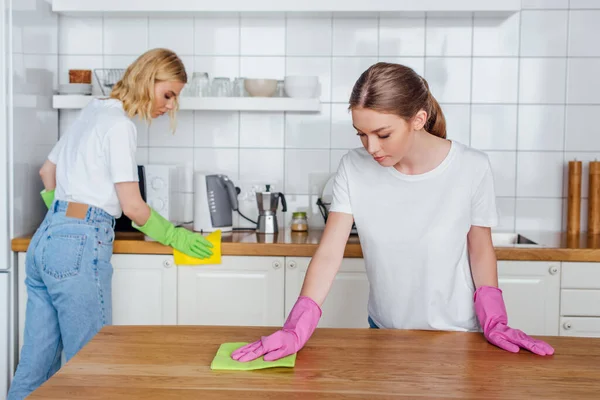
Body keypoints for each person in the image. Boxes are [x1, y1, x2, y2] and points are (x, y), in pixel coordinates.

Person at [232, 62, 555, 363]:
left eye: (383, 134)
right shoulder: (353, 167)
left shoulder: (471, 167)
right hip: (384, 330)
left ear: (418, 119)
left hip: (459, 334)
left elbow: (481, 249)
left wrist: (494, 318)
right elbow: (330, 253)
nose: (371, 147)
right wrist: (296, 326)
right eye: (362, 134)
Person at [8, 48, 213, 399]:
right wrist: (175, 236)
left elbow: (47, 173)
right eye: (168, 94)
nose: (169, 106)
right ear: (149, 79)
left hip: (47, 239)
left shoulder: (93, 111)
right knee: (92, 366)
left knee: (34, 369)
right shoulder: (120, 125)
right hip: (80, 245)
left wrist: (61, 222)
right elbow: (132, 207)